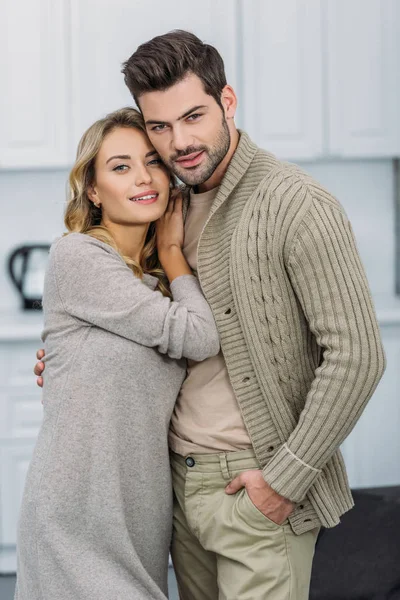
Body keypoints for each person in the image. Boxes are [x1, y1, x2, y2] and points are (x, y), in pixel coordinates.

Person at [35, 31, 386, 600]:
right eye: (160, 128)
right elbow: (140, 320)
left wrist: (285, 480)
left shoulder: (296, 203)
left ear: (228, 102)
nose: (179, 142)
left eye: (194, 116)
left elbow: (358, 357)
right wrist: (75, 359)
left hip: (256, 484)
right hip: (175, 491)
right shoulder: (168, 206)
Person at [16, 107, 220, 600]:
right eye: (121, 166)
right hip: (75, 515)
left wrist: (170, 264)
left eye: (152, 161)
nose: (144, 177)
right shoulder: (79, 257)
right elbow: (199, 337)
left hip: (139, 519)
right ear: (92, 189)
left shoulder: (159, 286)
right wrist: (172, 254)